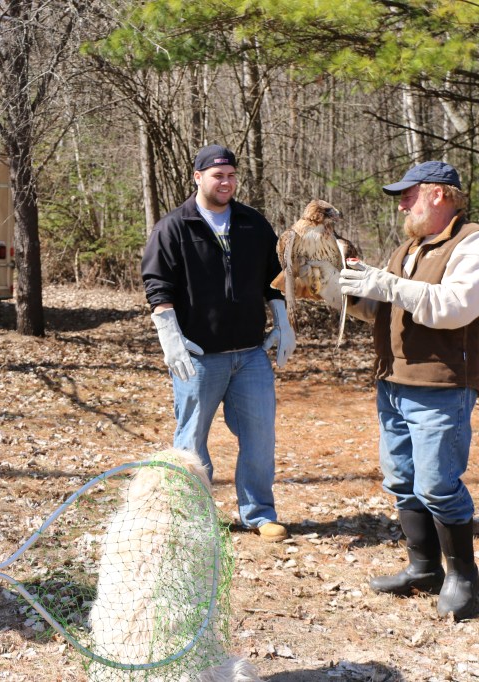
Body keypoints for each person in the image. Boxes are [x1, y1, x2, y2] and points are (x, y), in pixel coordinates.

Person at [311, 160, 479, 620]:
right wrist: (337, 288)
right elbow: (387, 310)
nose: (401, 203)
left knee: (438, 484)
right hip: (394, 380)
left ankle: (462, 577)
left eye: (408, 194)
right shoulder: (410, 248)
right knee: (401, 479)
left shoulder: (475, 245)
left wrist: (388, 283)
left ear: (439, 194)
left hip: (441, 385)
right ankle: (423, 569)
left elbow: (454, 308)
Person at [141, 144, 295, 542]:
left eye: (230, 176)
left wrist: (281, 321)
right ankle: (192, 515)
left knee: (260, 437)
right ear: (198, 177)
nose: (225, 183)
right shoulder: (175, 226)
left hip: (250, 354)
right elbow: (157, 285)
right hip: (198, 357)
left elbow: (273, 278)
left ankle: (259, 514)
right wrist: (169, 335)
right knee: (191, 440)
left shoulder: (251, 223)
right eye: (217, 176)